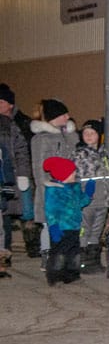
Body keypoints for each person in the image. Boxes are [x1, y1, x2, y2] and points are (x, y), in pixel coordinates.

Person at [31, 99, 80, 269]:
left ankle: (64, 254)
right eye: (63, 114)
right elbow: (38, 165)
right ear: (54, 117)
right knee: (49, 224)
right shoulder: (41, 139)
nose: (67, 117)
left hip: (68, 187)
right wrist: (44, 185)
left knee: (66, 223)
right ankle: (47, 253)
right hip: (51, 188)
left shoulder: (70, 136)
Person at [73, 120, 109, 274]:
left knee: (97, 231)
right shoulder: (79, 154)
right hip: (87, 201)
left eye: (92, 133)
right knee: (84, 229)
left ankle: (93, 260)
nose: (89, 136)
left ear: (99, 135)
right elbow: (73, 177)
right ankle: (81, 260)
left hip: (103, 200)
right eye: (86, 133)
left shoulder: (105, 154)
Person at [0, 84, 39, 257]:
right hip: (5, 175)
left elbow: (24, 150)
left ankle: (33, 246)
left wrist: (24, 173)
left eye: (1, 101)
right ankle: (5, 252)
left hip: (20, 174)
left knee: (26, 211)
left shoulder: (21, 123)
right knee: (5, 214)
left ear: (10, 104)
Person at [42, 156, 92, 286]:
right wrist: (53, 226)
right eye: (72, 172)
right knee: (59, 254)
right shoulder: (53, 190)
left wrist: (88, 193)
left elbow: (81, 202)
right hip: (61, 227)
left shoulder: (75, 187)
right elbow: (50, 210)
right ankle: (55, 277)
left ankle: (72, 275)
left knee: (74, 253)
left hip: (74, 226)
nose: (75, 174)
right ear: (63, 174)